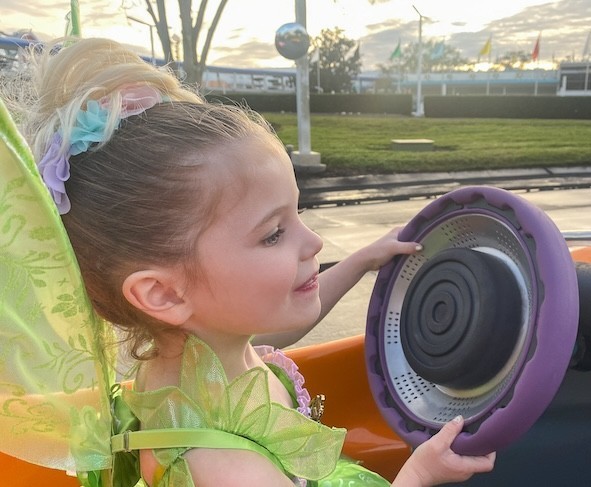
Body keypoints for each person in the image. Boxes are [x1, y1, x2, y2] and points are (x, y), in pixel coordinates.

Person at [12, 37, 496, 486]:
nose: (315, 242)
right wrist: (418, 475)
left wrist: (363, 261)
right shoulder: (227, 468)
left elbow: (275, 329)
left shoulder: (199, 354)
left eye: (299, 211)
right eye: (274, 234)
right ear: (162, 293)